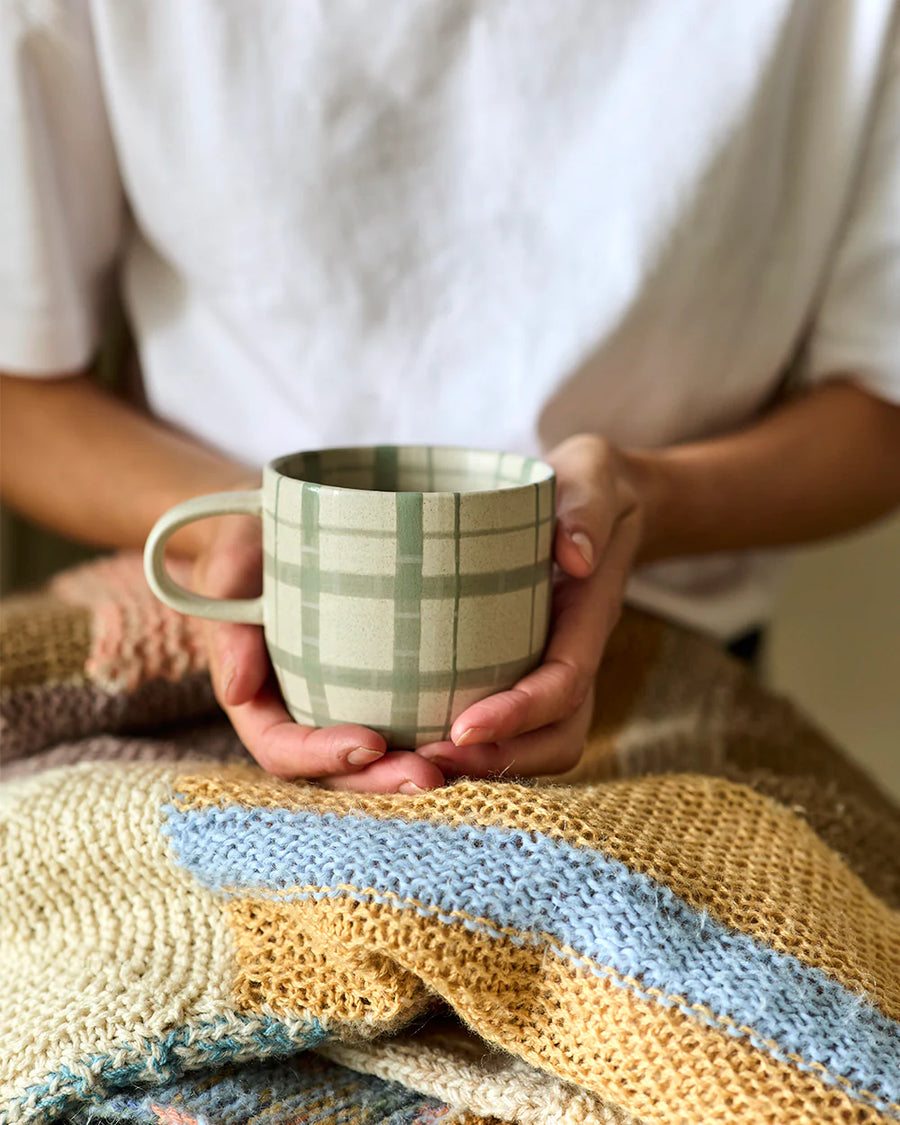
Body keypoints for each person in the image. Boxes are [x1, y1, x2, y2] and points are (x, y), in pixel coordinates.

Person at [2, 1, 899, 795]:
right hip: (197, 633)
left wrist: (645, 500)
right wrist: (233, 524)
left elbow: (881, 407)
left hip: (672, 657)